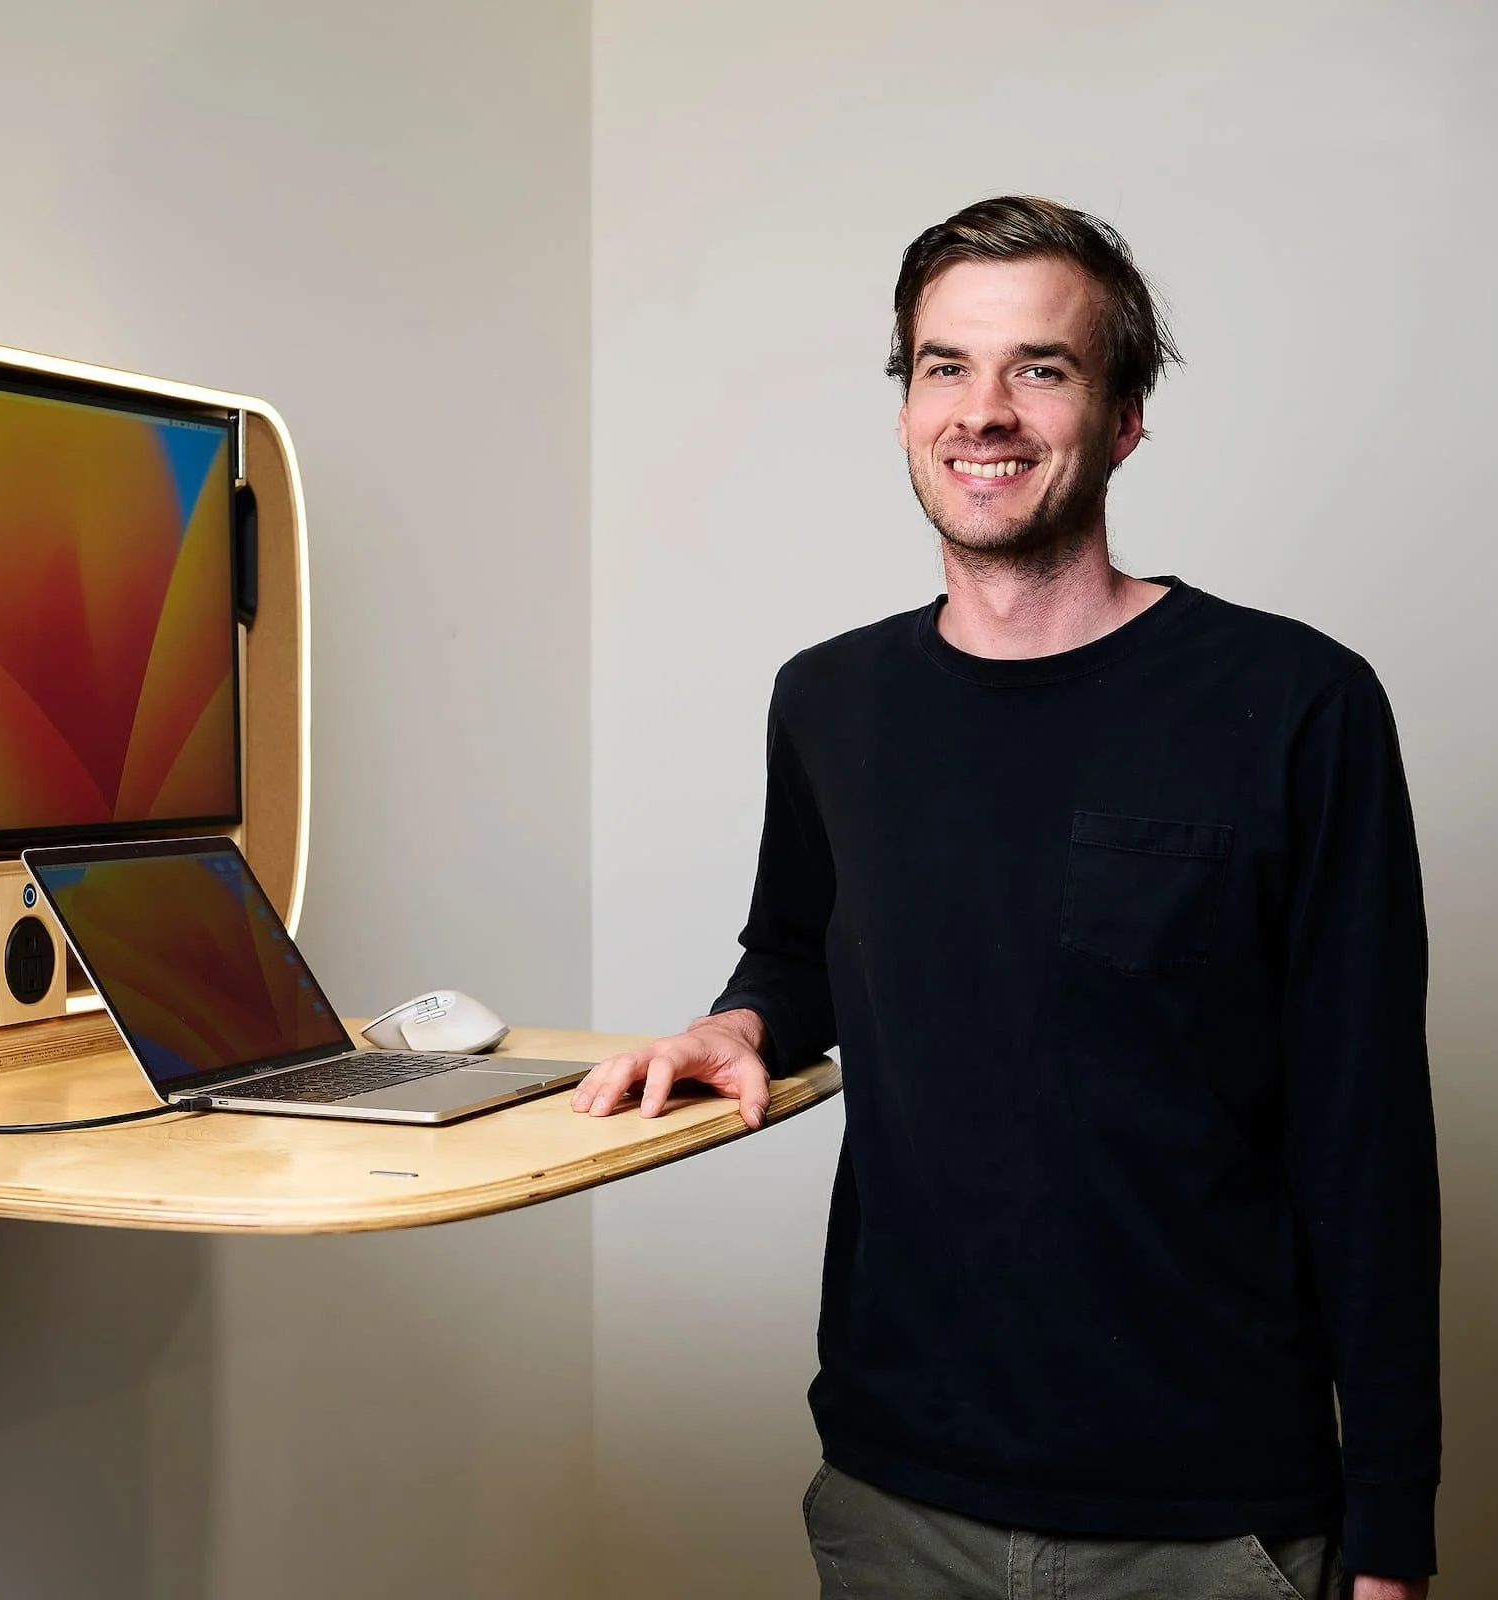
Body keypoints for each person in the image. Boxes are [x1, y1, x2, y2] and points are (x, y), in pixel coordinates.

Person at [570, 196, 1439, 1600]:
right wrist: (743, 1022)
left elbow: (1368, 1134)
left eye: (1041, 368)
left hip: (1208, 1520)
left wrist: (1394, 1529)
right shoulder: (831, 701)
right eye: (942, 367)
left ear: (1125, 416)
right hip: (896, 1490)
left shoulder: (1296, 704)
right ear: (906, 403)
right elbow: (798, 948)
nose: (985, 412)